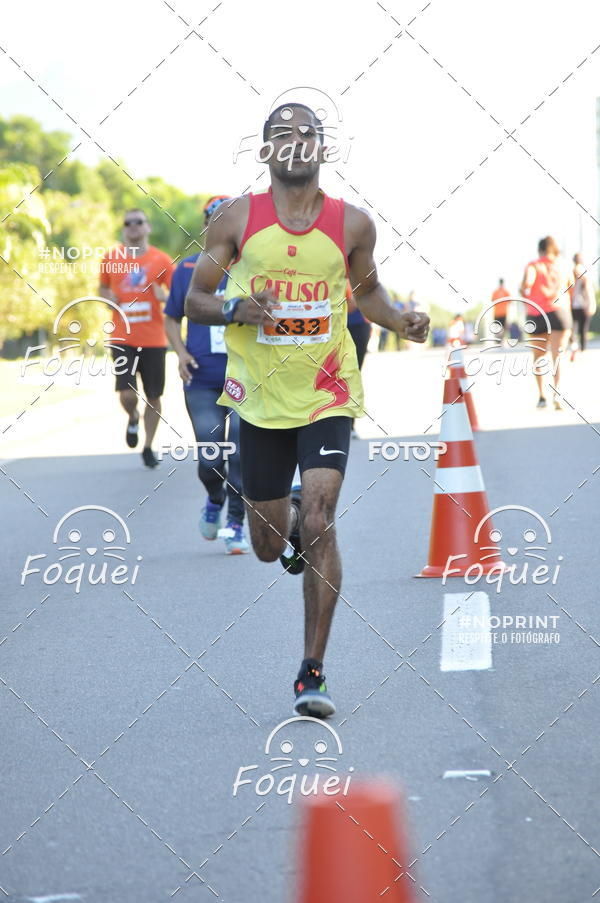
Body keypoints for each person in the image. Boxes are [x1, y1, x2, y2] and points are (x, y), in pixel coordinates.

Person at [184, 102, 429, 718]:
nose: (298, 141)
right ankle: (285, 517)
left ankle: (311, 672)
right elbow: (196, 299)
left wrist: (400, 318)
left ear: (323, 147)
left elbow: (366, 291)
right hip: (262, 397)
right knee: (270, 545)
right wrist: (240, 310)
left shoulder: (353, 225)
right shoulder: (237, 219)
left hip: (328, 388)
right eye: (283, 135)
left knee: (321, 519)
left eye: (309, 133)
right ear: (265, 151)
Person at [164, 197, 249, 555]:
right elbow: (171, 317)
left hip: (244, 377)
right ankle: (214, 498)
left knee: (243, 455)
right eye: (213, 219)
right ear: (206, 227)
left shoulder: (251, 268)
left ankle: (235, 523)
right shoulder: (185, 269)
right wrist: (181, 353)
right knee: (211, 457)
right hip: (200, 377)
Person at [100, 209, 173, 467]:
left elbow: (176, 292)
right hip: (122, 337)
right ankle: (132, 417)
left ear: (147, 227)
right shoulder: (111, 258)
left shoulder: (161, 260)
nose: (133, 226)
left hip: (154, 339)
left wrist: (164, 296)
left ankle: (148, 446)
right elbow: (103, 288)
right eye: (127, 222)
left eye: (138, 222)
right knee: (127, 392)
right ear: (123, 228)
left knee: (154, 395)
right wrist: (108, 298)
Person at [519, 236, 571, 409]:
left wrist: (526, 295)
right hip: (559, 312)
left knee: (538, 357)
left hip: (537, 314)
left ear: (540, 250)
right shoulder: (563, 266)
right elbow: (570, 286)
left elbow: (527, 284)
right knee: (558, 355)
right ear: (554, 251)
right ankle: (557, 394)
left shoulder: (533, 265)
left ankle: (541, 396)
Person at [569, 253, 596, 360]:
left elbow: (587, 290)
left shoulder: (582, 274)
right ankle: (579, 348)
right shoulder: (578, 273)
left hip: (579, 305)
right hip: (579, 305)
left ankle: (579, 348)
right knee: (577, 329)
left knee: (577, 329)